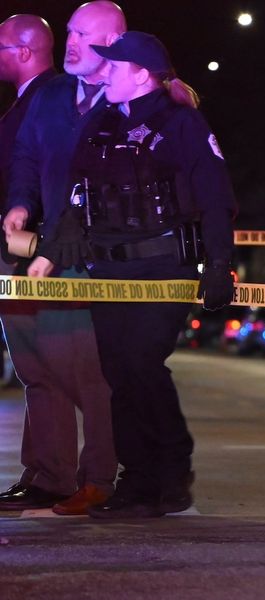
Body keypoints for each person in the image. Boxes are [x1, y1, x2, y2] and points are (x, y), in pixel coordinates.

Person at [29, 31, 237, 519]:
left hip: (163, 268)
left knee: (142, 363)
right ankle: (138, 481)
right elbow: (75, 193)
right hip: (110, 270)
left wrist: (219, 264)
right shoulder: (101, 123)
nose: (105, 74)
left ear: (142, 75)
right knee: (118, 373)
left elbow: (215, 197)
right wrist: (53, 248)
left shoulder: (180, 123)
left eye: (114, 67)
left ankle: (171, 469)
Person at [0, 3, 122, 516]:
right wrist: (21, 204)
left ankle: (99, 479)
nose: (70, 44)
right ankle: (49, 475)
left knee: (86, 374)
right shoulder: (51, 95)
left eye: (82, 36)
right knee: (39, 368)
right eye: (69, 32)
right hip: (41, 249)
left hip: (92, 256)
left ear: (112, 43)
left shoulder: (124, 96)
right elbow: (27, 157)